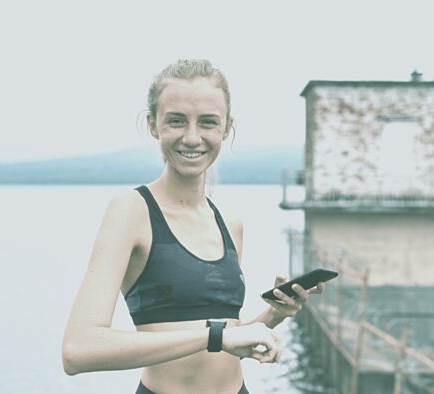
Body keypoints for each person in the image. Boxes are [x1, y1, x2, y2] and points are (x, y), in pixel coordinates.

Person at [62, 59, 325, 394]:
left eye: (207, 123)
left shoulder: (230, 222)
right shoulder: (131, 212)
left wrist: (272, 316)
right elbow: (78, 350)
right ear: (153, 125)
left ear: (226, 128)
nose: (191, 137)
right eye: (176, 121)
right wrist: (215, 335)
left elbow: (224, 345)